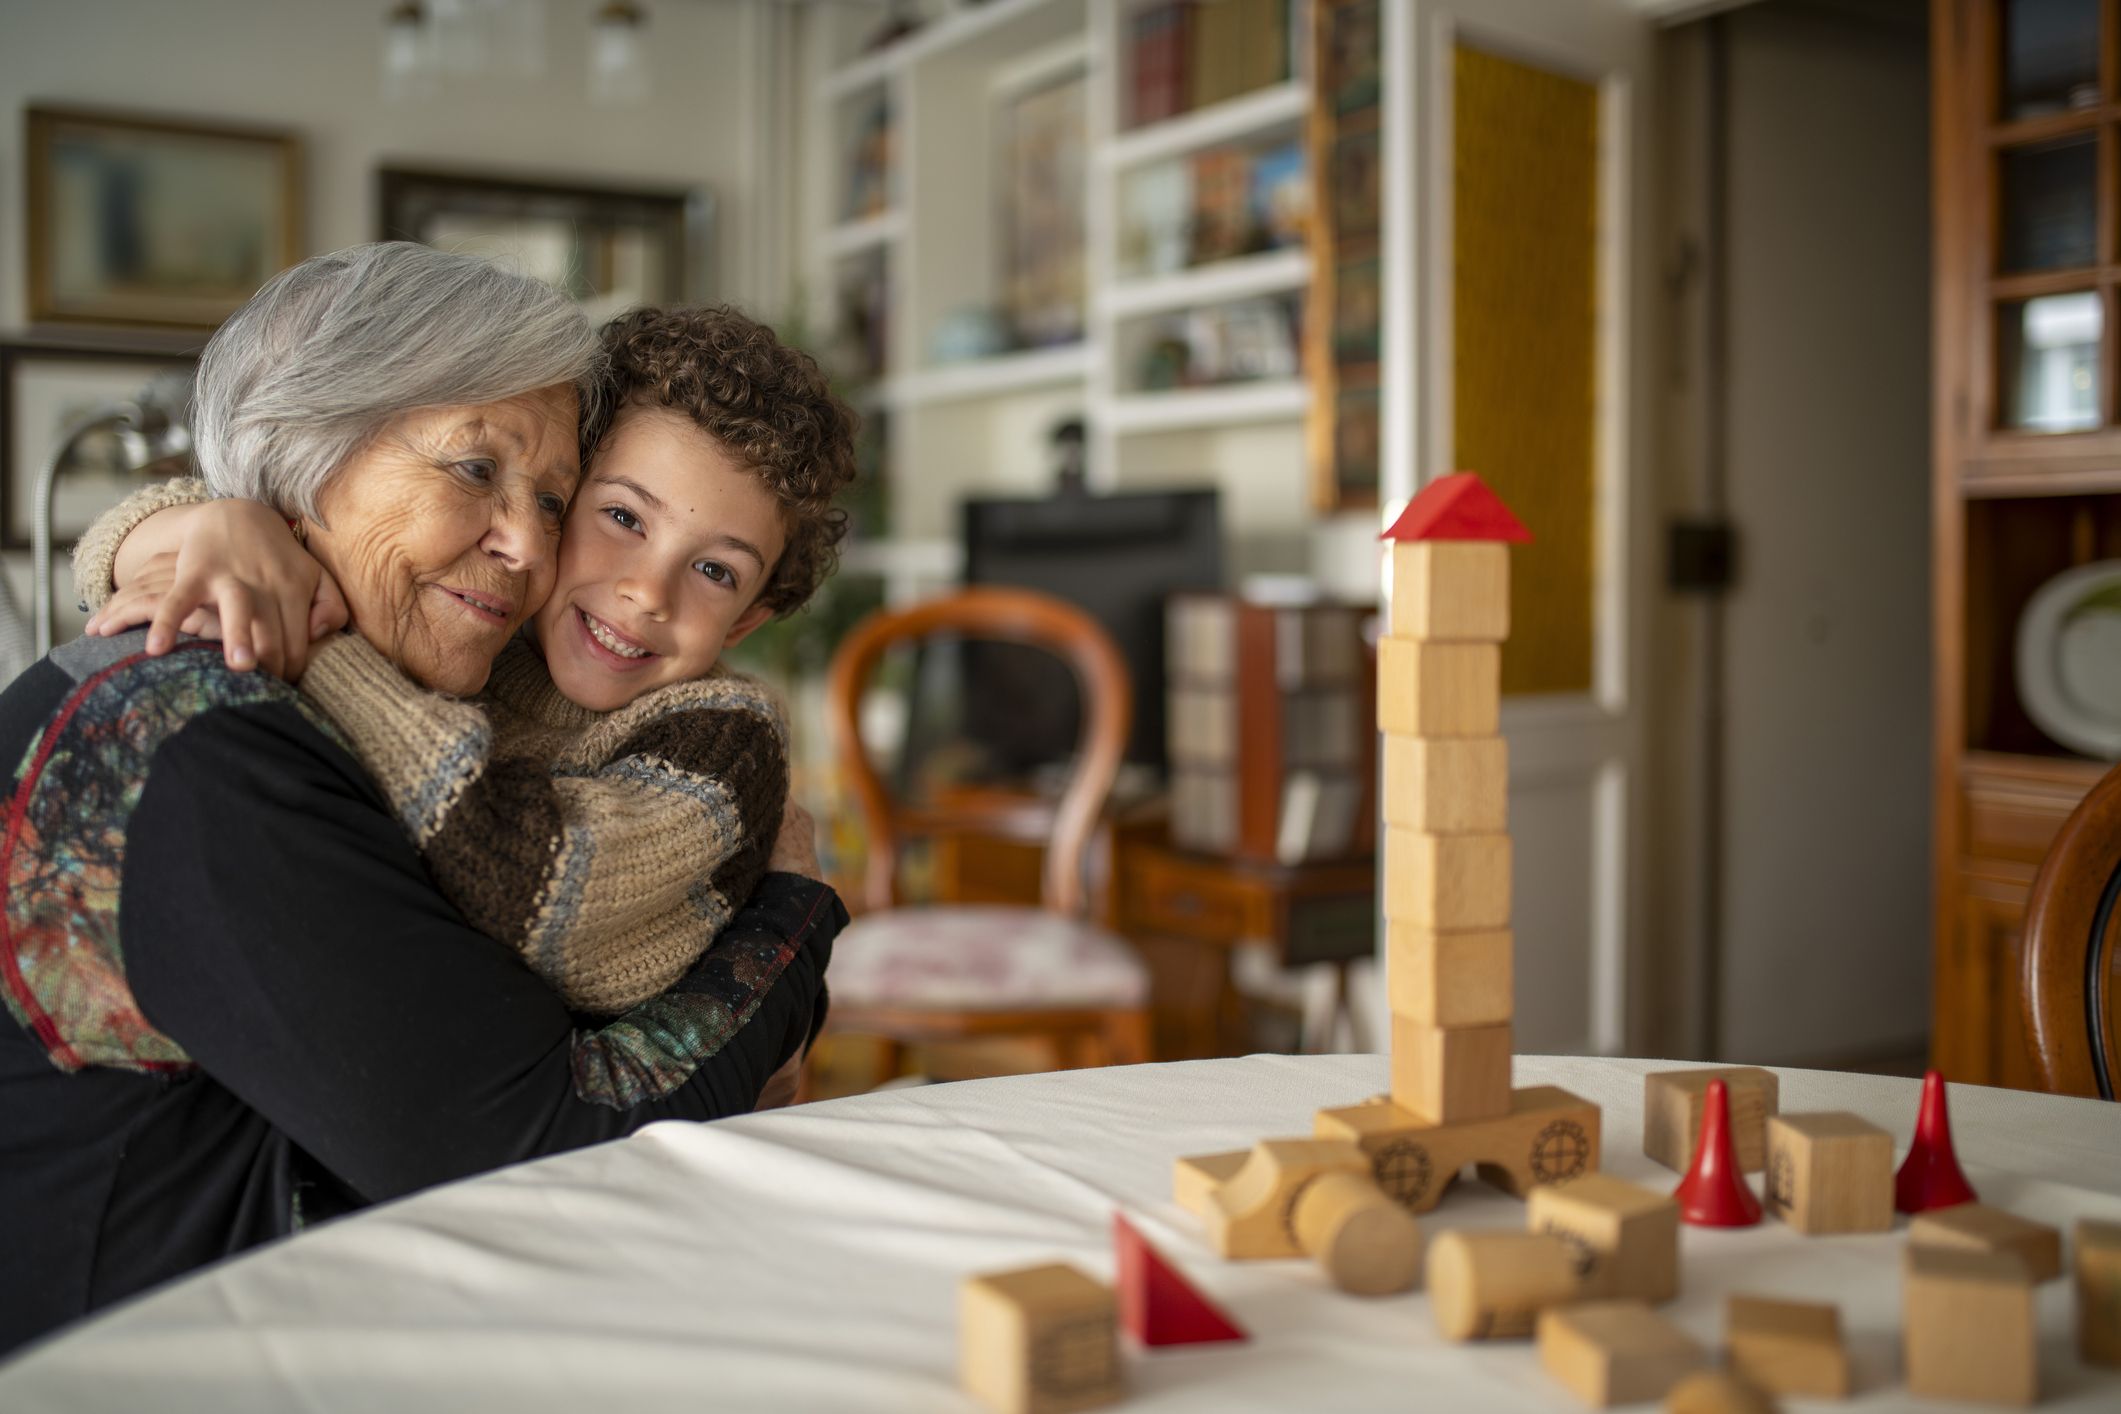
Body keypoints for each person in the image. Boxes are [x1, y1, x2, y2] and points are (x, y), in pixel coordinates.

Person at [0, 244, 843, 1357]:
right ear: (309, 452)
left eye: (553, 498)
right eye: (475, 469)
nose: (530, 545)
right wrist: (792, 914)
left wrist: (202, 540)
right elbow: (551, 1145)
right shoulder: (203, 739)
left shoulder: (406, 688)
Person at [77, 303, 859, 1014]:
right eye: (623, 518)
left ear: (745, 621)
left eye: (715, 570)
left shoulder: (724, 737)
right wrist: (211, 530)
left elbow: (535, 891)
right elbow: (118, 552)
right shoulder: (478, 637)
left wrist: (315, 638)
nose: (648, 592)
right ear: (560, 502)